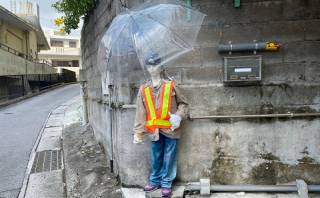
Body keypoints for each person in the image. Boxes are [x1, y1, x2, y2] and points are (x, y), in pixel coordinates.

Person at [133, 53, 189, 197]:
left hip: (171, 128)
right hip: (154, 130)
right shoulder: (144, 88)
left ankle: (166, 183)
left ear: (161, 66)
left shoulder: (171, 84)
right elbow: (140, 111)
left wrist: (178, 116)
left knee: (169, 156)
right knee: (156, 156)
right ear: (147, 67)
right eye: (150, 65)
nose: (152, 68)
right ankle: (154, 180)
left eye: (155, 65)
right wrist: (139, 131)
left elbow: (184, 104)